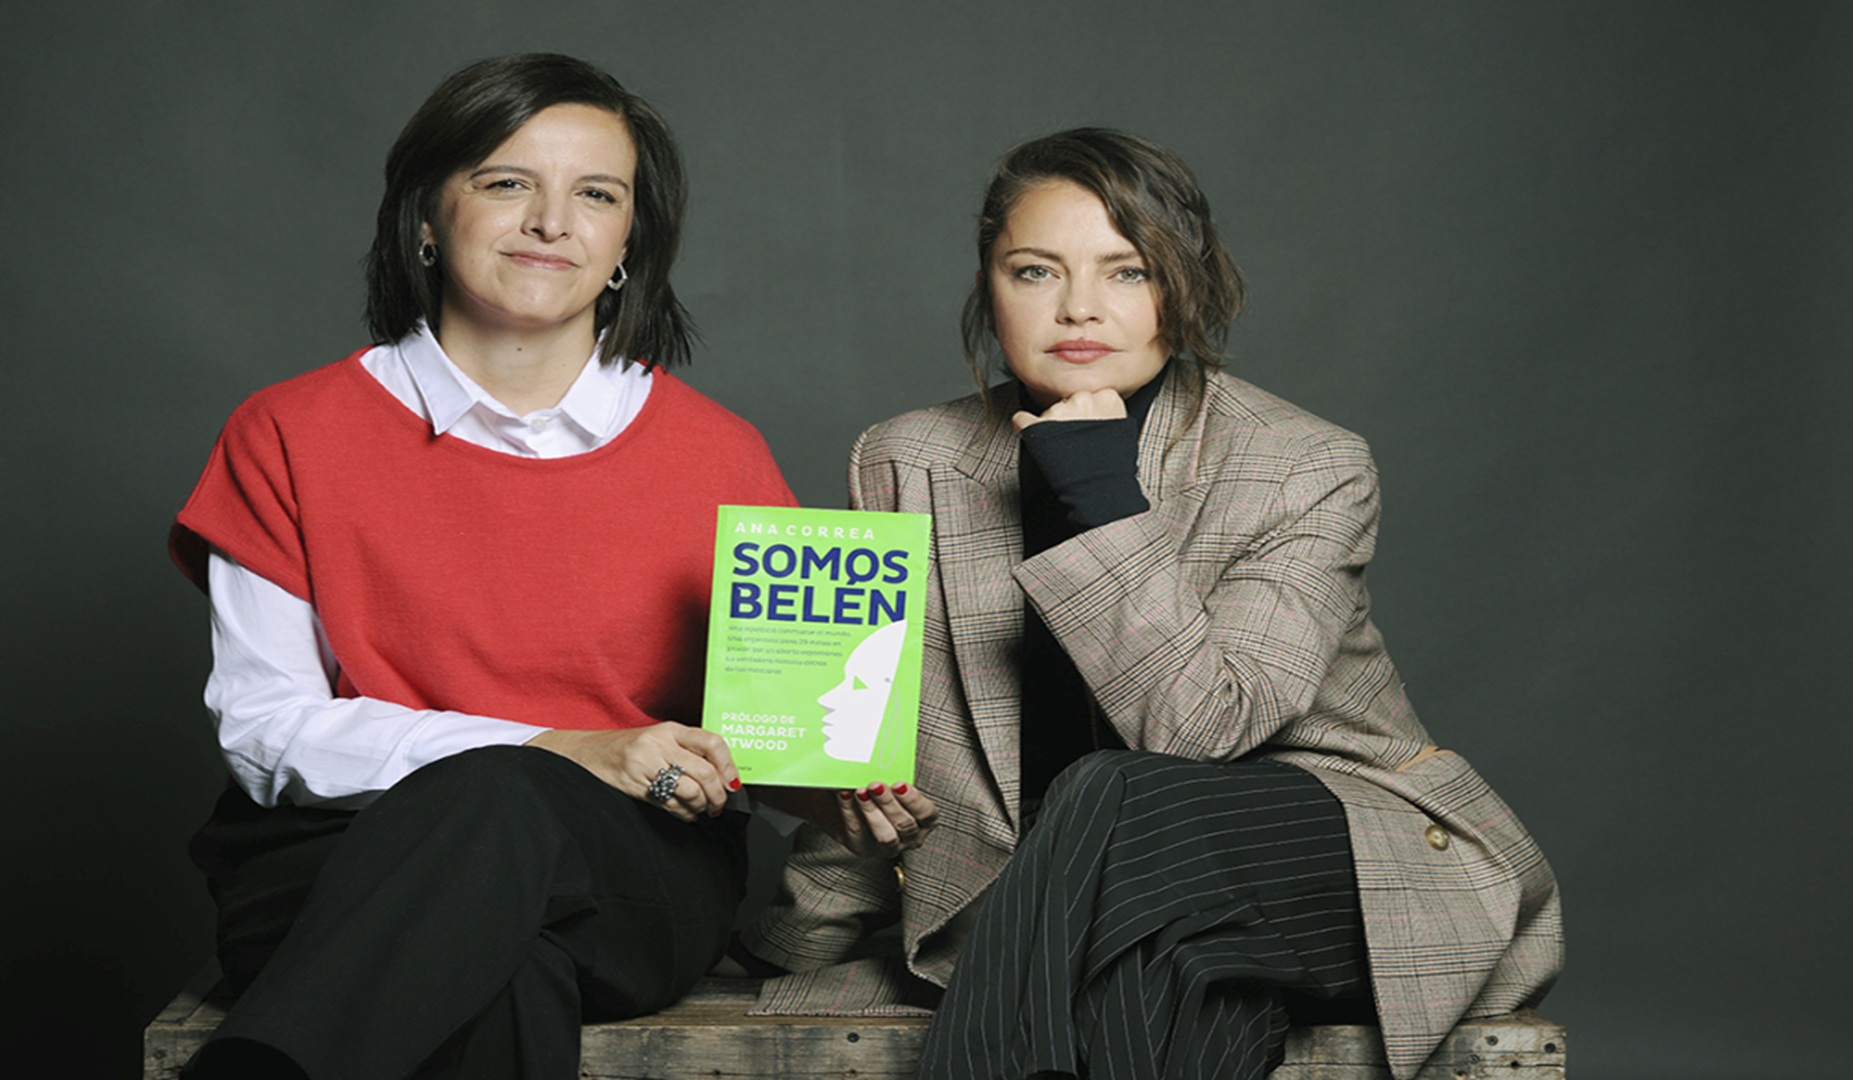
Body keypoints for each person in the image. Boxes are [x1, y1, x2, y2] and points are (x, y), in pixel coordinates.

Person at [740, 129, 1564, 1080]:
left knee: (1113, 794)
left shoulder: (1301, 464)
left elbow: (1202, 731)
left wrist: (1098, 487)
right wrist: (796, 934)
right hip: (1100, 918)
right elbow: (868, 737)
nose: (1078, 308)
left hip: (1337, 866)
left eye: (1126, 272)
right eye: (1035, 271)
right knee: (1156, 978)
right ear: (988, 287)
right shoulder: (908, 460)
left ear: (1184, 286)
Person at [168, 54, 928, 1080]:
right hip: (333, 860)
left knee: (502, 818)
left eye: (597, 195)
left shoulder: (719, 454)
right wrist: (560, 747)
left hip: (632, 870)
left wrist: (829, 791)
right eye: (506, 181)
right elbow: (266, 733)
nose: (551, 222)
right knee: (507, 953)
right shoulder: (285, 432)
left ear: (628, 242)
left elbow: (767, 739)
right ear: (426, 216)